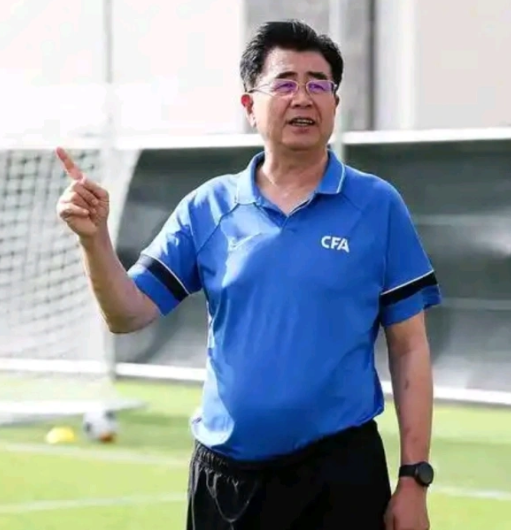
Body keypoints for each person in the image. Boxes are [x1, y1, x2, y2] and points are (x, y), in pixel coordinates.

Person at [56, 19, 441, 530]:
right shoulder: (208, 207)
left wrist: (414, 479)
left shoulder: (377, 205)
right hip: (226, 481)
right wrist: (94, 240)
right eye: (284, 83)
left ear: (335, 102)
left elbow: (410, 347)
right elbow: (127, 314)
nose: (302, 97)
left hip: (339, 474)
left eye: (318, 84)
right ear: (249, 106)